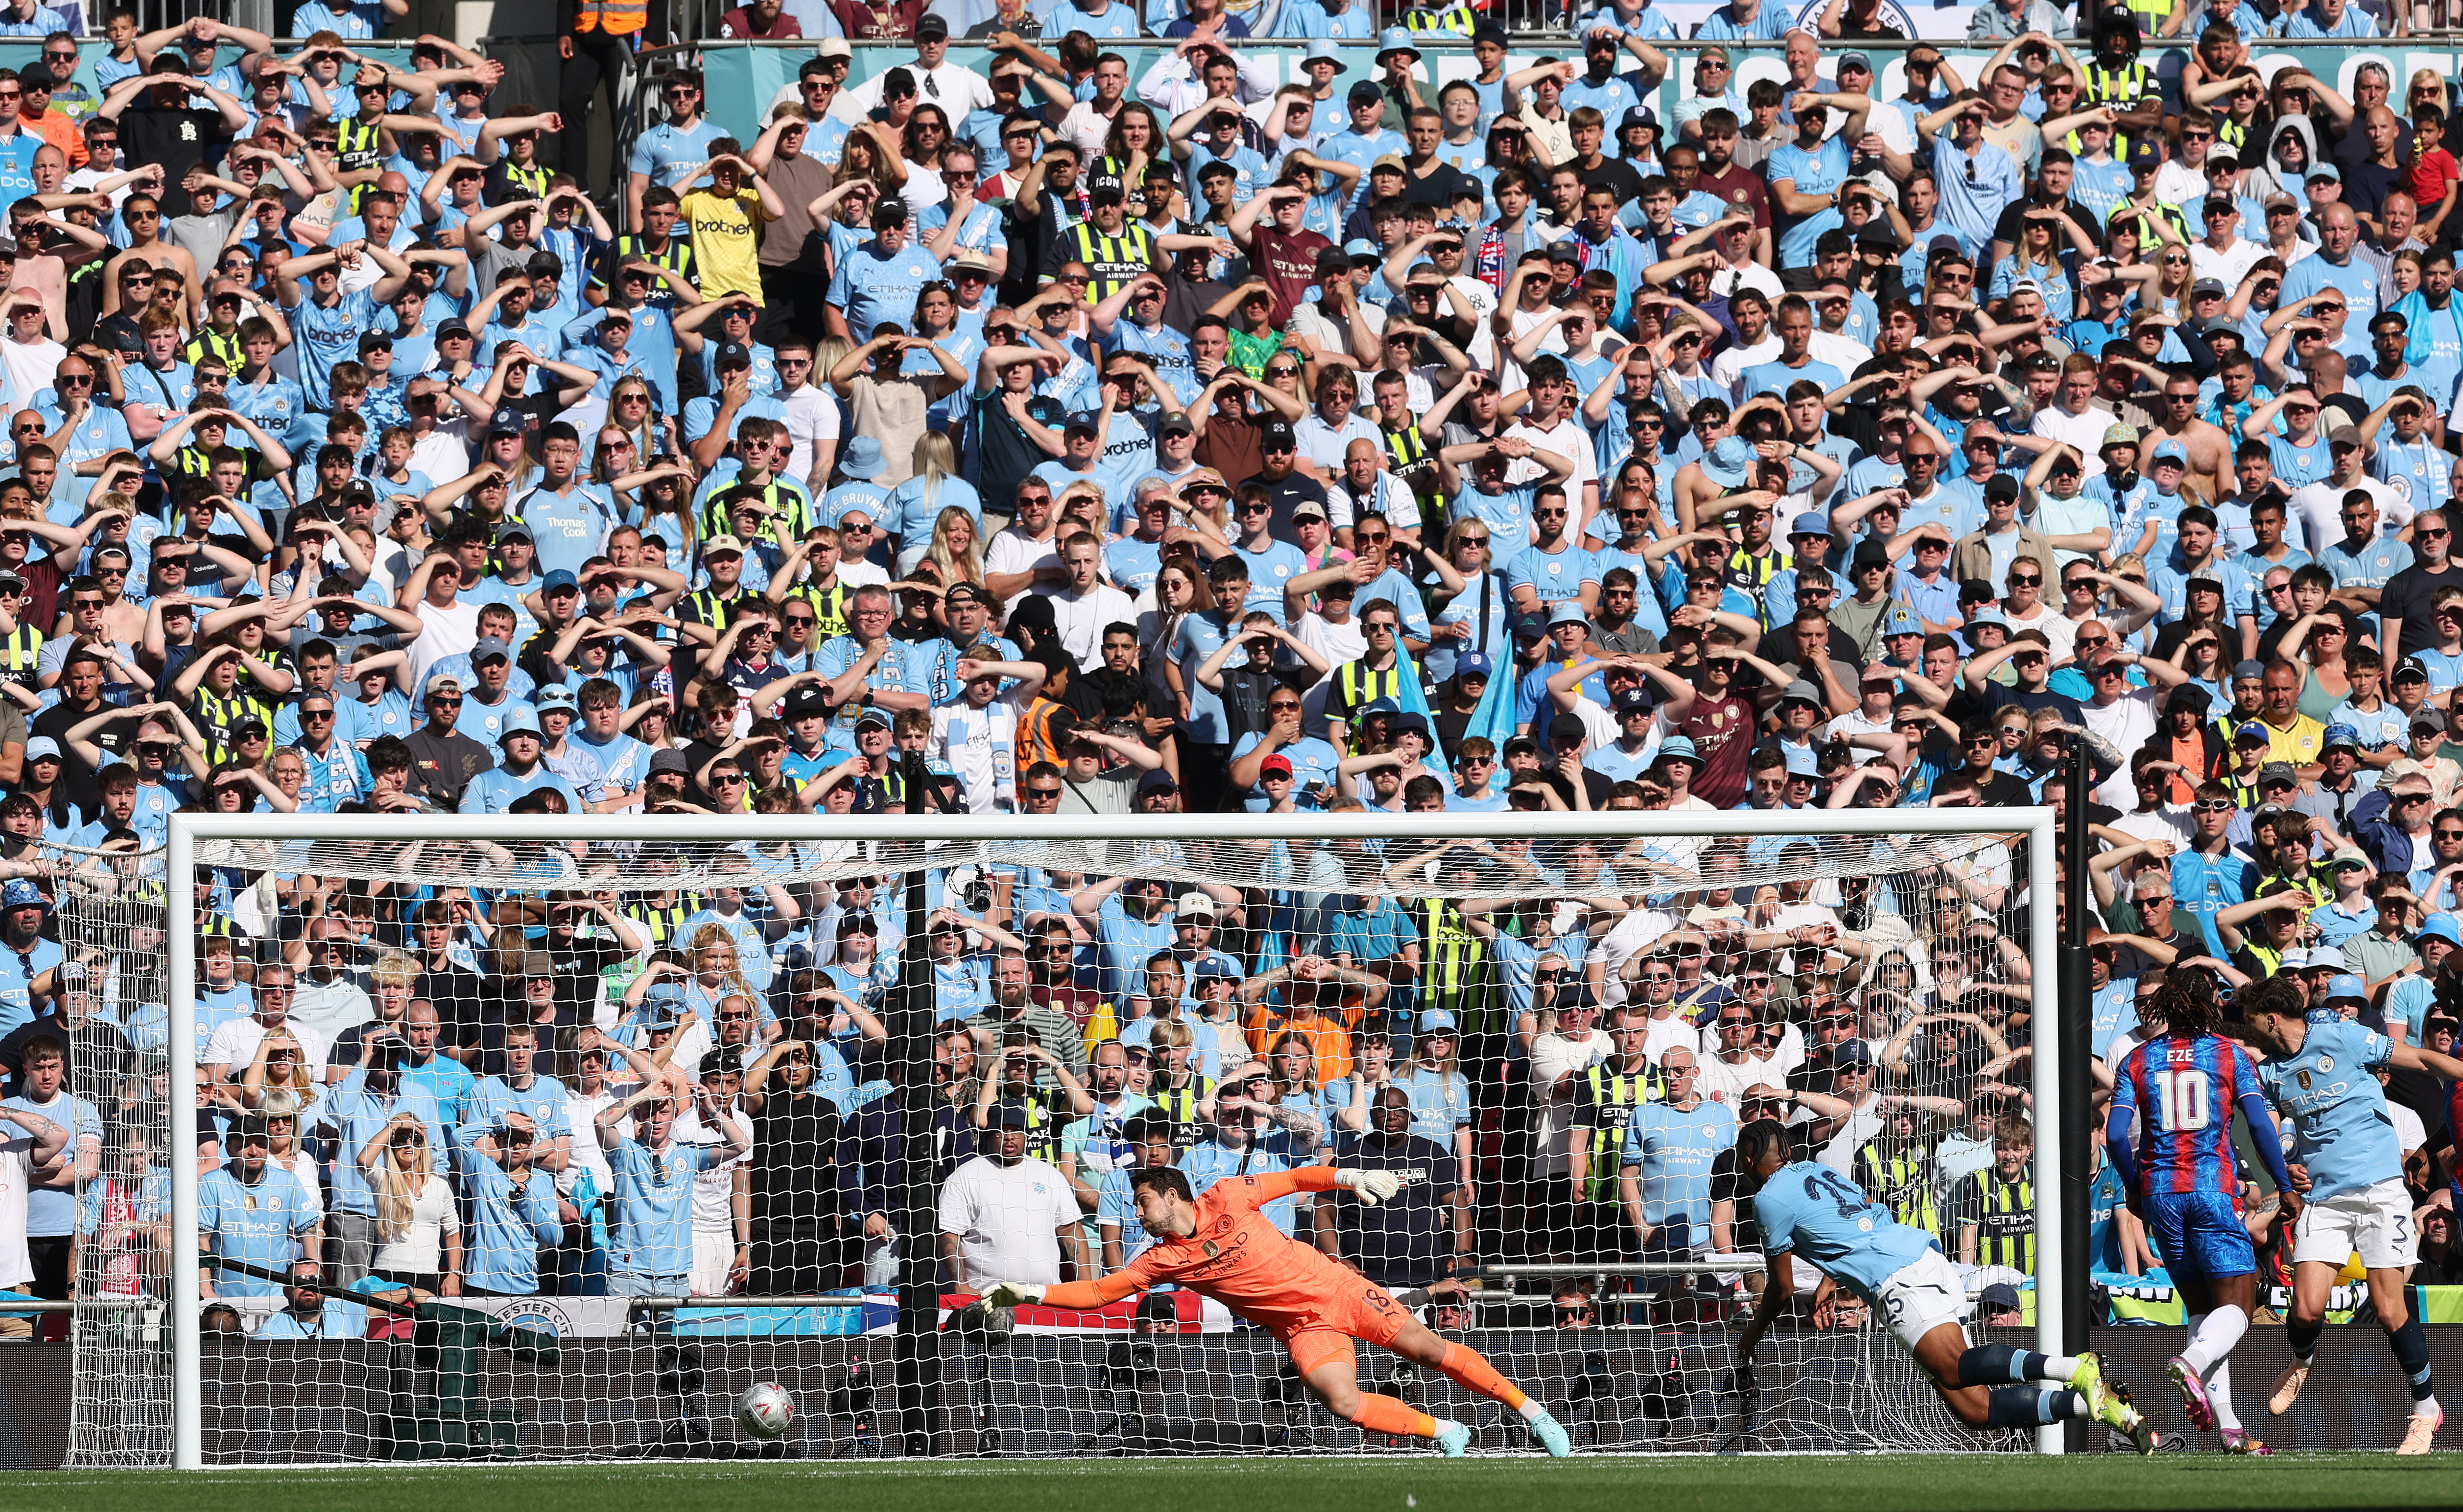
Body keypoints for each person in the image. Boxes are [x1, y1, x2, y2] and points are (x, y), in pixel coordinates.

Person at [977, 1161, 1576, 1458]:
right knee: (1344, 1404)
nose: (1136, 1214)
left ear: (1172, 1194)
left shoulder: (1229, 1193)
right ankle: (1445, 1431)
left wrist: (1348, 1176)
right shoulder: (1162, 1259)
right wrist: (1020, 1294)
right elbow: (1098, 1293)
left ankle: (1531, 1410)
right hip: (1300, 1326)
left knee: (1429, 1351)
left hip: (1337, 1288)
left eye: (1141, 1202)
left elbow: (1291, 1180)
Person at [1731, 1118, 2155, 1447]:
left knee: (1953, 1367)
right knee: (1973, 1407)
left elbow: (1782, 1287)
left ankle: (2073, 1368)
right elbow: (1855, 1218)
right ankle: (2101, 1408)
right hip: (1921, 1254)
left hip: (1895, 1278)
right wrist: (1831, 1276)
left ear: (1750, 1160)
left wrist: (1751, 1335)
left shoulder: (1767, 1198)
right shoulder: (1816, 1171)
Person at [2237, 973, 2463, 1453]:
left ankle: (2425, 1409)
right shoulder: (2270, 1072)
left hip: (2381, 1191)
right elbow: (2274, 1120)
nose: (2247, 1032)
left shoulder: (2339, 1034)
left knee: (2386, 1308)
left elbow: (2421, 1058)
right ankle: (2300, 1360)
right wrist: (2285, 1160)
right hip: (2325, 1198)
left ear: (2269, 1018)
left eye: (2250, 1023)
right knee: (2304, 1309)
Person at [2106, 965, 2293, 1455]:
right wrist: (2283, 1183)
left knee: (2203, 1311)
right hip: (2210, 1189)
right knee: (2238, 1306)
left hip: (2159, 1195)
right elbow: (2257, 1124)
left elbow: (2112, 1135)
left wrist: (2134, 1188)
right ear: (2212, 1000)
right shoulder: (2229, 1054)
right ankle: (2189, 1363)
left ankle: (2230, 1429)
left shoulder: (2138, 1058)